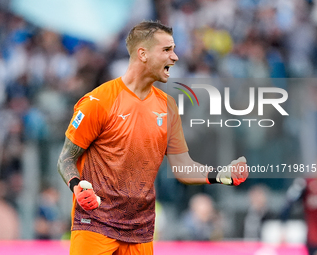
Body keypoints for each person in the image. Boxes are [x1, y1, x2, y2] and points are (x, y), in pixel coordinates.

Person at [57, 20, 248, 255]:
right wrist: (77, 185)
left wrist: (222, 175)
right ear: (143, 54)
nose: (175, 57)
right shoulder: (99, 101)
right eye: (167, 50)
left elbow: (183, 167)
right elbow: (66, 158)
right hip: (95, 227)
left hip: (140, 232)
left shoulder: (167, 107)